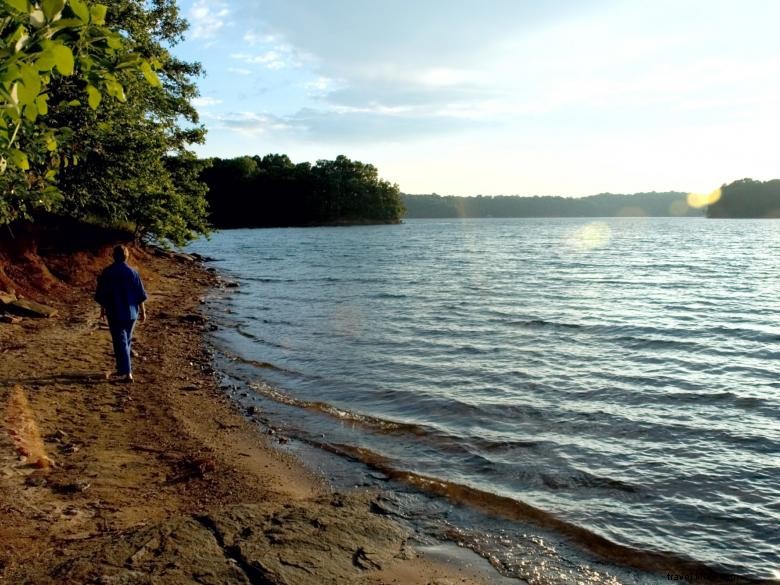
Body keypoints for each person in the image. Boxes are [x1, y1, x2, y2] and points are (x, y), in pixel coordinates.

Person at [95, 245, 148, 382]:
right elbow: (140, 294)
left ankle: (126, 372)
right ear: (126, 256)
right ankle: (122, 368)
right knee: (126, 340)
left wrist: (102, 309)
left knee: (120, 341)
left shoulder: (108, 272)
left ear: (113, 256)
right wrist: (143, 311)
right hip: (131, 313)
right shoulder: (133, 273)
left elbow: (103, 294)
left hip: (115, 311)